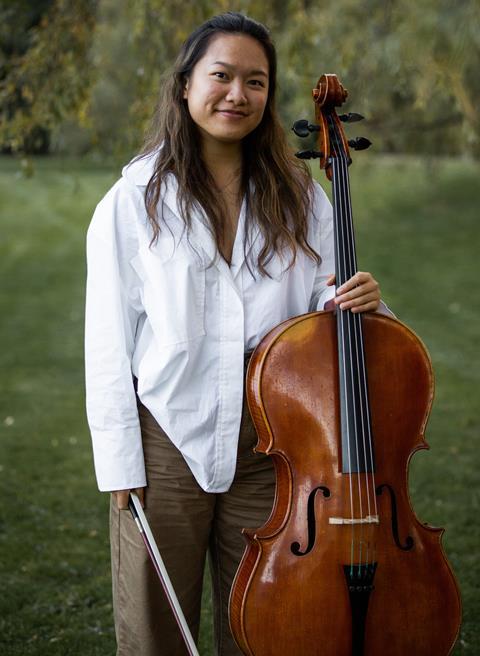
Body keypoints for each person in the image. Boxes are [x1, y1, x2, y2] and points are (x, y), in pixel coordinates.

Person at [85, 11, 385, 656]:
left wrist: (358, 302)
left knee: (264, 616)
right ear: (186, 85)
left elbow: (325, 305)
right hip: (167, 435)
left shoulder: (303, 197)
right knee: (155, 623)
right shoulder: (133, 200)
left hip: (274, 440)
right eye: (221, 76)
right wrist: (119, 466)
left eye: (256, 81)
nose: (237, 94)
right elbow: (107, 339)